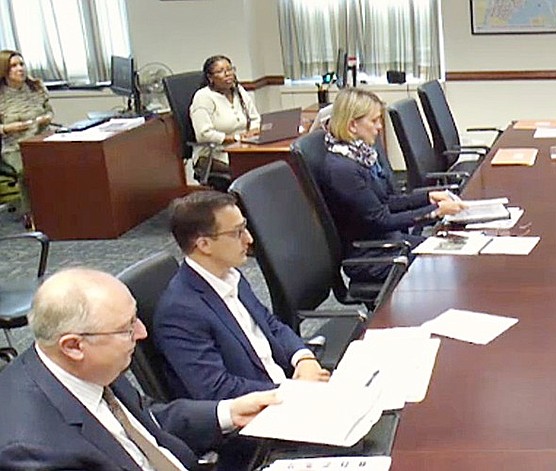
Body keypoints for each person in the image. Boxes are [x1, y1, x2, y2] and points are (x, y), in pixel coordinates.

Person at [0, 268, 278, 470]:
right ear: (73, 346)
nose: (142, 333)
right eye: (127, 328)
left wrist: (228, 412)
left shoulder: (86, 368)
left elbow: (143, 418)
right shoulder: (31, 452)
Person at [155, 191, 330, 402]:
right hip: (258, 413)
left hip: (286, 386)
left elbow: (269, 323)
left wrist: (304, 358)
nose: (249, 238)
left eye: (245, 227)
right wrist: (293, 391)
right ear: (204, 245)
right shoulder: (180, 312)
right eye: (237, 232)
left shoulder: (230, 275)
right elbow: (216, 390)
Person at [312, 88, 465, 282]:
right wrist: (434, 211)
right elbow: (382, 219)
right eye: (374, 121)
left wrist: (429, 197)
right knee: (450, 261)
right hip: (372, 257)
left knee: (455, 250)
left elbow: (386, 201)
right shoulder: (343, 170)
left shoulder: (359, 156)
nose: (379, 127)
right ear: (352, 126)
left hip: (387, 243)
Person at [0, 49, 53, 226]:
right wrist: (7, 128)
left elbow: (49, 112)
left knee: (64, 161)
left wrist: (46, 119)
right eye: (14, 66)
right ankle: (31, 213)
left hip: (41, 140)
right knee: (26, 171)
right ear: (4, 70)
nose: (20, 69)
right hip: (14, 146)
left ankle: (58, 207)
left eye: (21, 64)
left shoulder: (36, 87)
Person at [189, 55, 260, 185]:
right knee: (252, 170)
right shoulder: (203, 97)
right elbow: (204, 134)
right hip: (215, 153)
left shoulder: (239, 91)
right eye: (221, 71)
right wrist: (237, 138)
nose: (228, 74)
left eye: (230, 69)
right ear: (210, 78)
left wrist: (253, 131)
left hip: (245, 148)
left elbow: (255, 118)